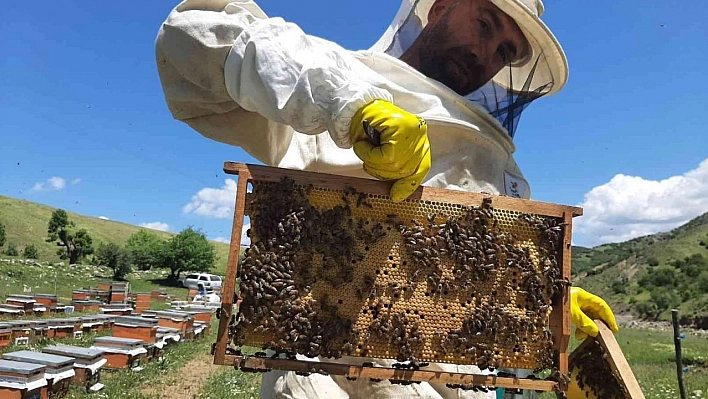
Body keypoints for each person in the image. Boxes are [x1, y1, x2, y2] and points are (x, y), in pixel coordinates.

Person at [155, 0, 619, 397]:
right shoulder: (336, 73)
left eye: (504, 51)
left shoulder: (493, 158)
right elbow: (189, 38)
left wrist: (539, 295)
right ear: (440, 6)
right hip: (323, 369)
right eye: (483, 23)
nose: (486, 54)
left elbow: (474, 273)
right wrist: (353, 108)